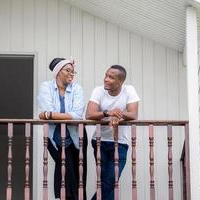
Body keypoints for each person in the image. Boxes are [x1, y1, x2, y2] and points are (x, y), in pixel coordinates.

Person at [86, 65, 140, 200]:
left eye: (111, 77)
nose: (106, 79)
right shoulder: (98, 91)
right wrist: (108, 112)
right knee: (106, 181)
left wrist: (119, 116)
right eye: (106, 75)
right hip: (99, 142)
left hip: (120, 143)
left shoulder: (129, 90)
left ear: (120, 82)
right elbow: (89, 114)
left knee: (110, 181)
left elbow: (133, 114)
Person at [37, 57, 87, 200]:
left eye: (73, 71)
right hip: (54, 138)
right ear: (58, 72)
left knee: (78, 173)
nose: (72, 74)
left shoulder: (77, 89)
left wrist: (49, 114)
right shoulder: (46, 87)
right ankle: (68, 197)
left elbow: (77, 115)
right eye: (68, 70)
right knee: (66, 167)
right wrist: (51, 114)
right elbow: (47, 108)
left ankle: (65, 197)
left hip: (77, 138)